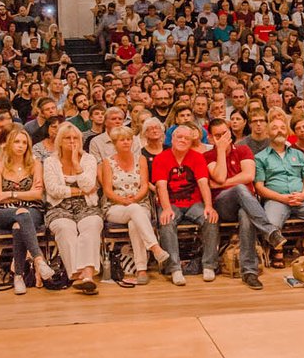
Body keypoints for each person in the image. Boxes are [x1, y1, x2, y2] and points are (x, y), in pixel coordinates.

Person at [204, 117, 285, 289]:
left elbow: (248, 176)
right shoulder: (208, 156)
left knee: (246, 214)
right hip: (223, 205)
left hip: (247, 206)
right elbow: (219, 176)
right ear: (210, 138)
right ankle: (269, 230)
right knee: (240, 188)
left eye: (225, 134)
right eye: (217, 136)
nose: (223, 138)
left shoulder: (243, 150)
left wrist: (221, 184)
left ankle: (249, 272)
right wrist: (220, 151)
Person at [254, 114, 304, 265]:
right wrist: (282, 198)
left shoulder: (298, 155)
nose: (279, 131)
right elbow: (259, 187)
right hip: (276, 199)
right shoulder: (260, 157)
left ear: (287, 132)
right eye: (275, 128)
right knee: (271, 226)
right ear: (268, 133)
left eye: (282, 128)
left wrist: (303, 195)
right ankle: (277, 250)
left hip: (301, 198)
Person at [100, 126, 170, 284]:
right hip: (115, 206)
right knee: (134, 210)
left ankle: (141, 270)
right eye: (122, 140)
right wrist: (123, 200)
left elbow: (144, 186)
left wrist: (135, 198)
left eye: (128, 139)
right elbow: (107, 190)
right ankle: (154, 248)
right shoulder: (108, 162)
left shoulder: (141, 159)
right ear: (115, 143)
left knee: (134, 222)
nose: (126, 142)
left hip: (140, 203)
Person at [151, 124, 219, 286]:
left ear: (191, 141)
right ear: (172, 139)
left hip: (194, 203)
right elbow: (161, 186)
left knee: (210, 218)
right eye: (179, 137)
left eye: (186, 138)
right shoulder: (161, 158)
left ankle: (209, 265)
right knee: (166, 221)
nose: (182, 140)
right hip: (171, 203)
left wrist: (209, 206)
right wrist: (166, 208)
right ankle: (174, 268)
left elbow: (203, 183)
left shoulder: (197, 157)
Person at [43, 123, 103, 294]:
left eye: (75, 138)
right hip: (59, 207)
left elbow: (89, 185)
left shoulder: (89, 159)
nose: (72, 141)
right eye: (67, 138)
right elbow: (53, 190)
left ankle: (88, 276)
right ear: (59, 142)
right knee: (65, 228)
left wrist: (77, 164)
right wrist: (79, 191)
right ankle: (77, 275)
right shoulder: (50, 161)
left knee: (92, 226)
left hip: (86, 205)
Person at [0, 128, 52, 294]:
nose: (21, 145)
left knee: (19, 224)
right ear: (10, 144)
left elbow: (37, 195)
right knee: (22, 213)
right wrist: (26, 194)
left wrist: (10, 194)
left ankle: (18, 276)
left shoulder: (35, 164)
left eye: (24, 142)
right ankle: (39, 260)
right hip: (4, 212)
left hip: (32, 210)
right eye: (17, 142)